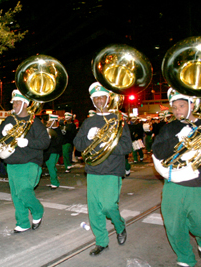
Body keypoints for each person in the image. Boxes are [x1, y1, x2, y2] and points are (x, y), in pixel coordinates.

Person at [152, 89, 201, 267]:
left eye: (181, 106)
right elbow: (158, 151)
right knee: (173, 224)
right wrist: (177, 139)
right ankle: (184, 256)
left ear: (192, 105)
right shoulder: (170, 128)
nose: (177, 111)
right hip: (175, 184)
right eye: (174, 107)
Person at [74, 82, 132, 256]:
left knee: (108, 206)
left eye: (102, 97)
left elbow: (126, 147)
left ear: (108, 99)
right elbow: (77, 143)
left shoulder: (118, 120)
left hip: (112, 169)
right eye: (96, 98)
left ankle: (120, 226)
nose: (99, 100)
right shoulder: (89, 121)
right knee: (94, 210)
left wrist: (107, 143)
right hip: (93, 170)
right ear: (93, 101)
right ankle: (101, 242)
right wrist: (90, 139)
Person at [0, 89, 50, 233]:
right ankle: (23, 222)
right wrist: (3, 131)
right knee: (16, 196)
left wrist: (28, 142)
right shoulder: (10, 120)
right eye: (13, 103)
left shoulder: (34, 122)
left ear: (25, 104)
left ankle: (37, 211)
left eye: (18, 102)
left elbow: (45, 142)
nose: (14, 105)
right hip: (12, 164)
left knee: (24, 191)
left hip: (30, 162)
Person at [44, 114, 64, 190]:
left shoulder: (58, 130)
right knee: (51, 166)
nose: (48, 123)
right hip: (49, 151)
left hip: (54, 151)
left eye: (50, 121)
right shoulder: (49, 129)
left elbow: (58, 142)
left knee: (51, 166)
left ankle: (54, 183)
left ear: (54, 121)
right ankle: (55, 178)